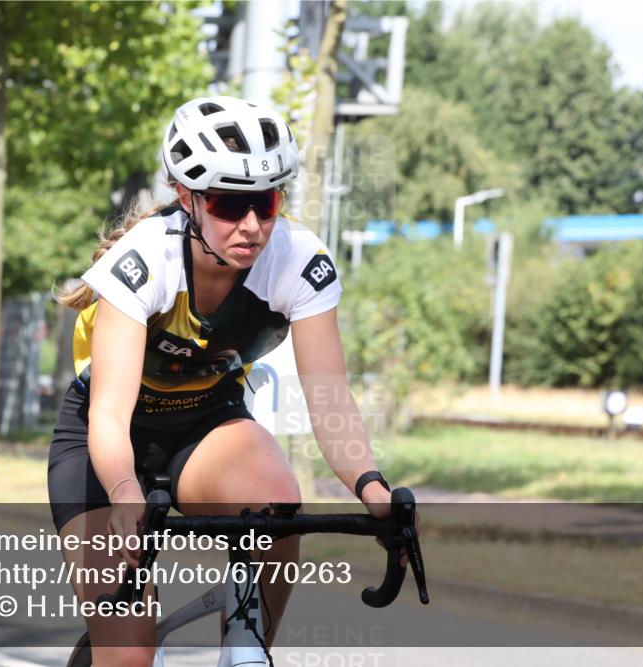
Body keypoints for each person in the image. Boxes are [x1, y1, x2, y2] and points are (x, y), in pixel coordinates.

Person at [48, 96, 392, 667]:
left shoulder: (297, 259)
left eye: (267, 202)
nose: (252, 226)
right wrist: (127, 494)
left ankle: (248, 648)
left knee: (277, 508)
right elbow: (107, 415)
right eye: (231, 205)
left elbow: (329, 400)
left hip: (207, 426)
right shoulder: (143, 261)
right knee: (129, 656)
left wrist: (374, 490)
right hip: (106, 443)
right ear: (188, 198)